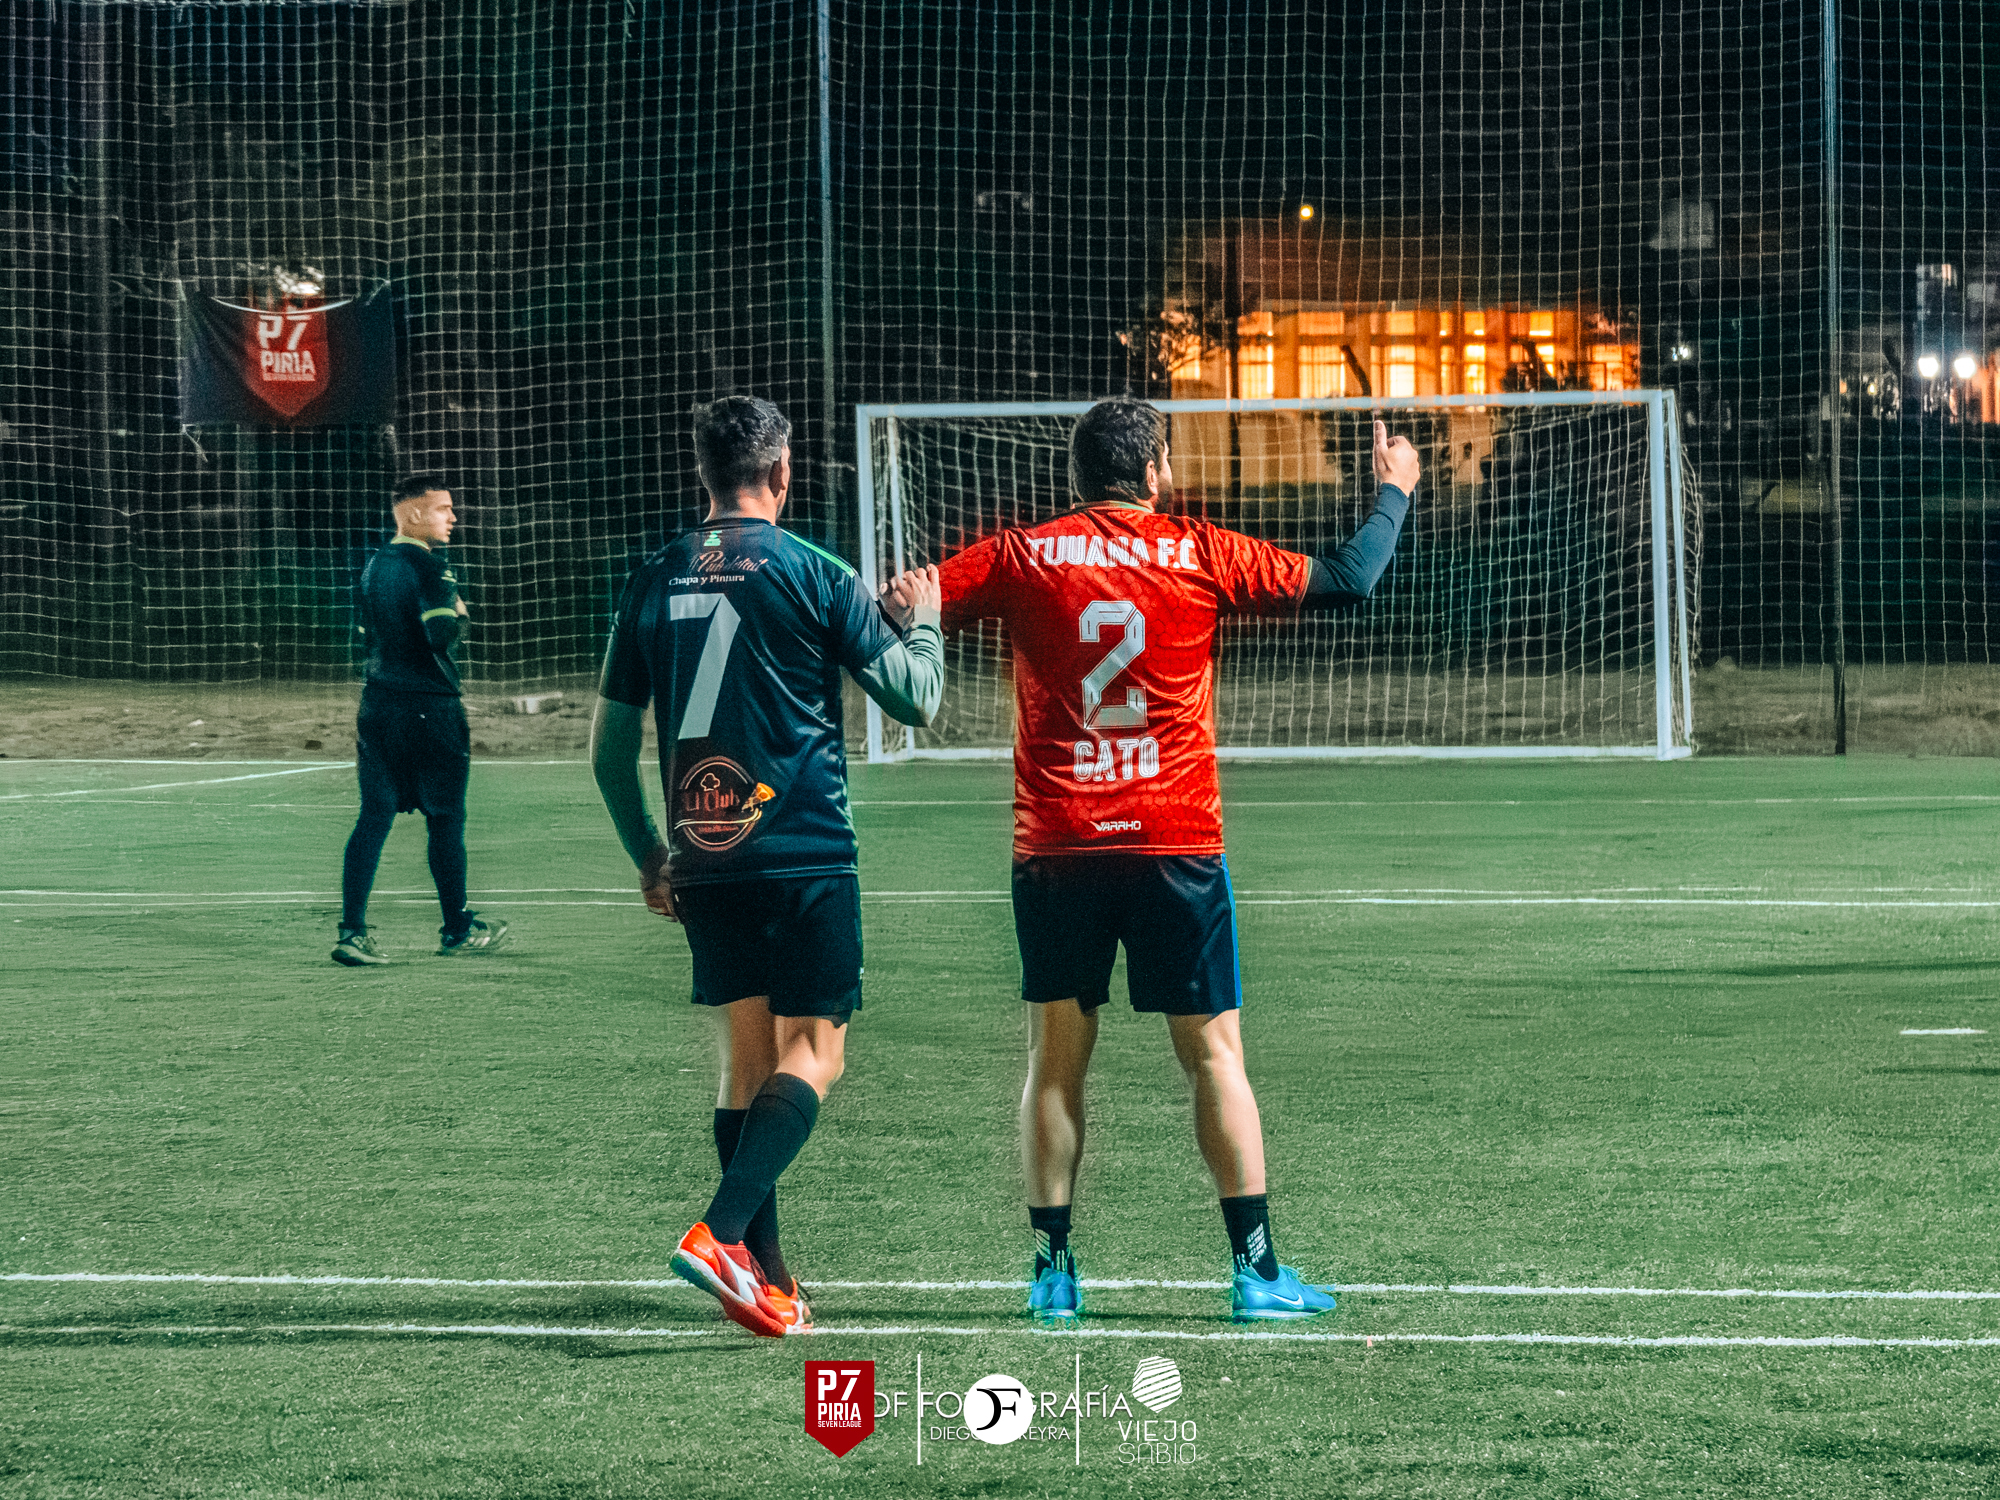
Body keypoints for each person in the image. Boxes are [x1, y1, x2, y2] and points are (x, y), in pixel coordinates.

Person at [908, 398, 1417, 1324]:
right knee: (1214, 1057)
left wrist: (894, 602)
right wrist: (1395, 490)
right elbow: (1350, 579)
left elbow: (912, 600)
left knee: (1053, 1063)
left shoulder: (1022, 555)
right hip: (1174, 843)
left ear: (1078, 477)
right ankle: (1256, 1273)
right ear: (1154, 473)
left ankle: (1053, 1275)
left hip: (1058, 844)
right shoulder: (1199, 550)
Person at [591, 395, 944, 1338]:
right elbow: (914, 699)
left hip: (703, 857)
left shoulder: (652, 575)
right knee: (817, 1053)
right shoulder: (815, 571)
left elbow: (608, 751)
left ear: (701, 475)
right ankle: (718, 1234)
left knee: (745, 1065)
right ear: (782, 472)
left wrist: (649, 855)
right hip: (804, 852)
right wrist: (926, 622)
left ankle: (766, 1277)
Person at [332, 475, 507, 966]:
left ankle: (352, 932)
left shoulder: (374, 566)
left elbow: (368, 633)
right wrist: (458, 610)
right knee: (446, 820)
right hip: (431, 708)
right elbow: (441, 634)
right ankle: (457, 928)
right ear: (413, 514)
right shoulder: (430, 565)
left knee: (373, 816)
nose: (452, 517)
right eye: (442, 509)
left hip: (378, 704)